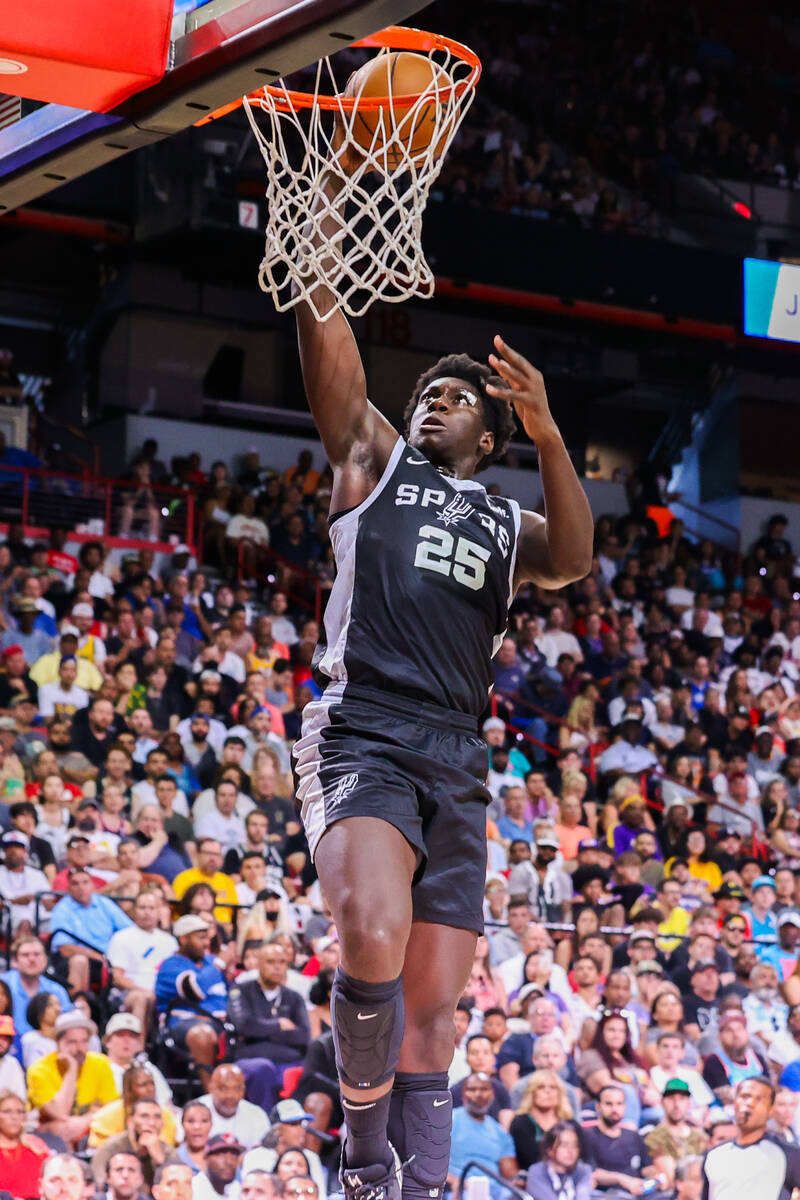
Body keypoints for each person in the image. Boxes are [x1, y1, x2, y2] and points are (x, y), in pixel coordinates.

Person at [291, 197, 593, 1200]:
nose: (436, 400)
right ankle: (362, 1158)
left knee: (432, 1017)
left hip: (456, 756)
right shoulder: (374, 463)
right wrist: (313, 239)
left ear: (492, 435)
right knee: (367, 931)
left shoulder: (509, 524)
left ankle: (414, 1188)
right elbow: (326, 329)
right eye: (428, 389)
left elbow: (577, 557)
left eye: (459, 397)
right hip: (365, 729)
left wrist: (552, 436)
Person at [154, 916, 228, 1087]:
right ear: (184, 939)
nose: (206, 943)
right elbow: (193, 990)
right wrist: (220, 963)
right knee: (201, 1034)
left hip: (222, 1021)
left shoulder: (211, 962)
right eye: (200, 938)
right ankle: (211, 1094)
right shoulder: (171, 965)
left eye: (207, 938)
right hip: (184, 1022)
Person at [27, 1010, 118, 1145]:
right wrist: (72, 1070)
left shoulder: (100, 1063)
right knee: (59, 1128)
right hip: (53, 1136)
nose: (79, 1048)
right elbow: (60, 1113)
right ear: (58, 1042)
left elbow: (111, 1107)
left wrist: (85, 1120)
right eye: (72, 1042)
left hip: (88, 1127)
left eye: (84, 1041)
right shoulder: (39, 1070)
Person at [702, 1076, 800, 1200]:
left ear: (771, 1110)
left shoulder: (789, 1155)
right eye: (744, 1096)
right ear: (734, 1103)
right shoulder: (713, 1155)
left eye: (759, 1099)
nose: (749, 1103)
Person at [226, 939, 310, 1064]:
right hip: (251, 1059)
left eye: (282, 962)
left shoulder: (294, 997)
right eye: (270, 962)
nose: (277, 967)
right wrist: (279, 1025)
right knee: (262, 1067)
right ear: (259, 964)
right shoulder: (241, 990)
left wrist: (261, 1030)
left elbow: (303, 1036)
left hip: (290, 1060)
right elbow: (244, 1027)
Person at [106, 888, 177, 1032]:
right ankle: (139, 1050)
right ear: (134, 911)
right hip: (128, 992)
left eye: (152, 908)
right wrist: (145, 991)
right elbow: (117, 977)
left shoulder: (170, 942)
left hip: (162, 992)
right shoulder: (121, 937)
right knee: (141, 998)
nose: (147, 912)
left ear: (159, 911)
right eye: (142, 907)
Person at [446, 1073, 517, 1199]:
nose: (478, 1095)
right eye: (472, 1090)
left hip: (495, 1190)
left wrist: (519, 1179)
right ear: (463, 1095)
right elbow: (429, 1163)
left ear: (492, 1095)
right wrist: (455, 1181)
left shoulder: (500, 1132)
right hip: (458, 1188)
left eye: (484, 1089)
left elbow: (510, 1174)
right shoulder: (447, 1120)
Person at [92, 1098, 180, 1192]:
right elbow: (97, 1185)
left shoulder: (168, 1151)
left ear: (162, 1124)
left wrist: (160, 1160)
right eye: (144, 1116)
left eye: (157, 1117)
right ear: (130, 1122)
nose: (152, 1123)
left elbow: (178, 1188)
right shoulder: (111, 1148)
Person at [644, 1079, 707, 1187]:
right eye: (671, 1099)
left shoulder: (699, 1136)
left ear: (689, 1103)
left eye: (682, 1099)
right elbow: (671, 1178)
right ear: (663, 1102)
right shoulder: (655, 1137)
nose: (676, 1104)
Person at [197, 1065, 270, 1150]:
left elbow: (263, 1155)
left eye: (237, 1088)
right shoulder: (194, 1112)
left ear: (244, 1090)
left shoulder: (257, 1115)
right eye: (223, 1088)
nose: (230, 1095)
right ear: (210, 1088)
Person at [0, 1088, 51, 1200]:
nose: (14, 1117)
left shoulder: (35, 1144)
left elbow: (53, 1175)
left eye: (20, 1112)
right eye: (7, 1111)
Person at [525, 1120, 592, 1200]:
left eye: (575, 1145)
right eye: (564, 1145)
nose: (571, 1151)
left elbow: (583, 1197)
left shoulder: (583, 1171)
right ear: (549, 1150)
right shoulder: (536, 1172)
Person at [192, 1132, 244, 1200]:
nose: (230, 1162)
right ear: (206, 1158)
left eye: (234, 1154)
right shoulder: (193, 1190)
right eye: (221, 1153)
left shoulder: (236, 1189)